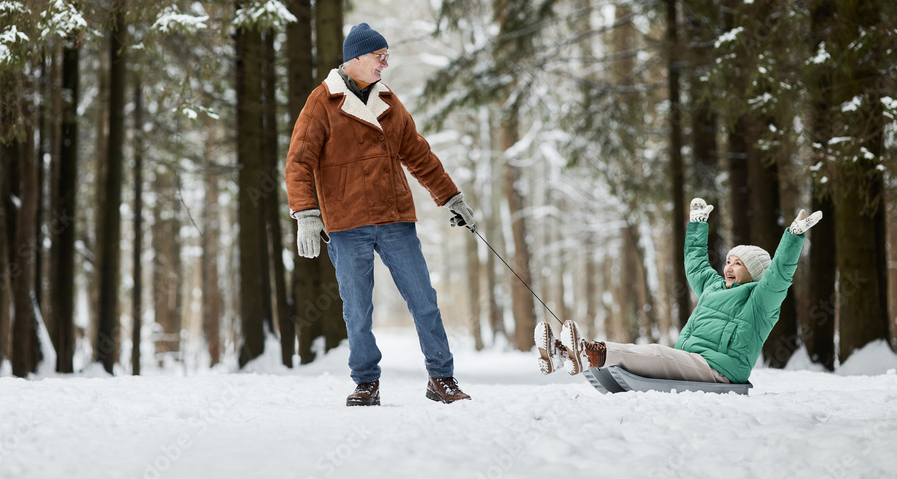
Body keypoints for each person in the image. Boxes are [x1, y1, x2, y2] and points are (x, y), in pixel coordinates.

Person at [285, 22, 476, 406]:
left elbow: (419, 154)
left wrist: (451, 197)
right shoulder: (321, 102)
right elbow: (299, 160)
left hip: (395, 218)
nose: (385, 64)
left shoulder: (389, 101)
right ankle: (365, 383)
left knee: (424, 299)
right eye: (379, 56)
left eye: (386, 57)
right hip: (346, 222)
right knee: (357, 309)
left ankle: (441, 378)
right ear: (355, 57)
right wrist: (307, 213)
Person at [536, 197, 823, 384]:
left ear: (755, 273)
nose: (730, 267)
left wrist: (793, 237)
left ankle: (590, 353)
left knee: (655, 353)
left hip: (720, 369)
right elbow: (696, 266)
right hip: (691, 360)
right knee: (655, 354)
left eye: (739, 264)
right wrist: (698, 226)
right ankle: (560, 354)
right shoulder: (713, 287)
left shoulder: (760, 300)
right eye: (728, 261)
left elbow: (779, 275)